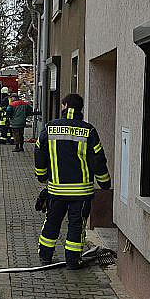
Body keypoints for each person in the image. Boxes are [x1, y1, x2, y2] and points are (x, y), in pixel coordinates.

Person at [35, 93, 111, 269]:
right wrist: (104, 183)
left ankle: (45, 256)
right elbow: (98, 159)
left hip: (56, 191)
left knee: (52, 223)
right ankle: (72, 261)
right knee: (76, 226)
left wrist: (42, 175)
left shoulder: (49, 128)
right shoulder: (88, 130)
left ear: (64, 105)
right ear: (80, 109)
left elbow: (39, 152)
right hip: (81, 193)